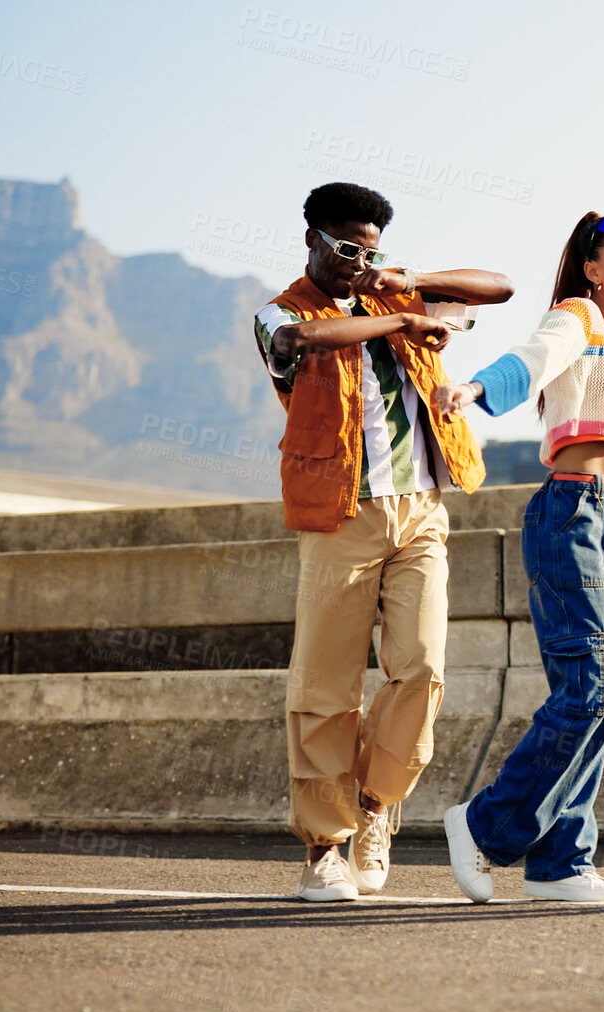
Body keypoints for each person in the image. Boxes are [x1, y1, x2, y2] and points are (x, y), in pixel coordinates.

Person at [253, 181, 514, 901]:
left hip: (421, 509)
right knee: (325, 687)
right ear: (310, 238)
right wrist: (398, 320)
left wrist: (409, 285)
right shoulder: (280, 310)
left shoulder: (397, 294)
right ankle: (324, 849)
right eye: (342, 247)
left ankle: (373, 808)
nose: (353, 261)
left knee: (423, 667)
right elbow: (302, 342)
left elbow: (501, 288)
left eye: (366, 250)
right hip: (341, 514)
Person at [434, 210, 604, 903]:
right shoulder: (576, 316)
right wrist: (477, 389)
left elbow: (591, 429)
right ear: (591, 269)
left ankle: (560, 859)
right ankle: (483, 825)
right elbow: (533, 357)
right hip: (570, 511)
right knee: (589, 689)